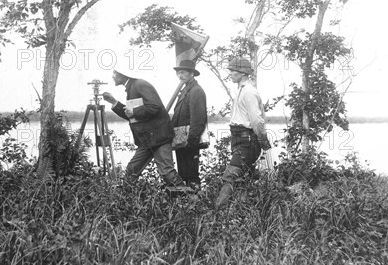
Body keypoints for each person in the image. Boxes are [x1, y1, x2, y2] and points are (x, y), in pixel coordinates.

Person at [102, 66, 187, 187]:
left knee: (167, 172)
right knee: (132, 170)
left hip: (159, 138)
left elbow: (155, 106)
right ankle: (125, 201)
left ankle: (188, 200)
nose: (112, 76)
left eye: (114, 73)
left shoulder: (140, 84)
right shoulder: (132, 86)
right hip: (148, 140)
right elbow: (133, 116)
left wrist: (135, 112)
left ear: (122, 73)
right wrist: (114, 102)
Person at [215, 57, 272, 209]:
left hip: (247, 141)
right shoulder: (241, 90)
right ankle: (246, 211)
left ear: (243, 73)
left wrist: (263, 141)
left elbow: (257, 120)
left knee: (231, 176)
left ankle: (217, 213)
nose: (230, 73)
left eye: (233, 70)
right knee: (245, 176)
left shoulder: (249, 92)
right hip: (239, 139)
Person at [171, 59, 208, 189]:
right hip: (182, 139)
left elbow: (198, 119)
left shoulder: (196, 91)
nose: (180, 75)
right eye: (178, 73)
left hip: (190, 140)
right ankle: (187, 204)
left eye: (182, 72)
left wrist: (191, 141)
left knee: (191, 175)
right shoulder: (187, 89)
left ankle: (196, 203)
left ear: (191, 73)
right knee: (183, 173)